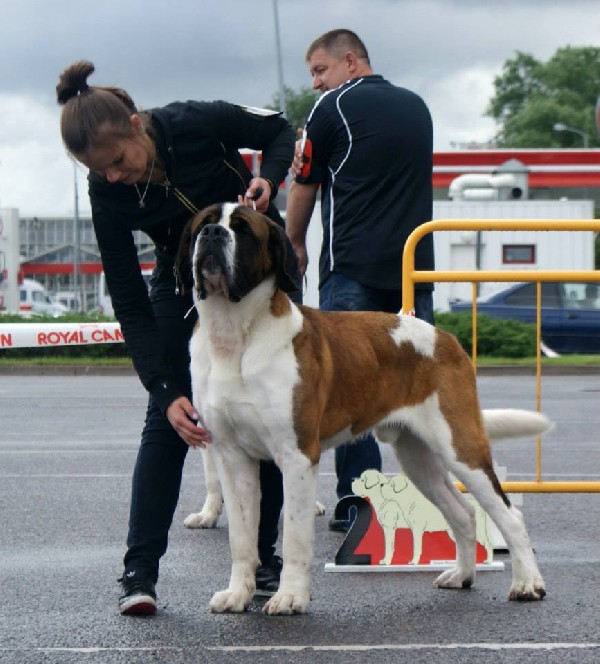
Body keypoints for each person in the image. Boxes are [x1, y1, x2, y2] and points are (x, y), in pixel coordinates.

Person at [56, 61, 295, 615]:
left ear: (138, 125)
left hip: (259, 267)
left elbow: (279, 129)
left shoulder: (193, 121)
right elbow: (126, 293)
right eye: (99, 171)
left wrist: (271, 177)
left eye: (118, 162)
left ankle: (264, 566)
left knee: (267, 416)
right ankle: (138, 574)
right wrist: (164, 389)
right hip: (182, 277)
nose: (114, 177)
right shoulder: (105, 190)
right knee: (164, 418)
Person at [286, 29, 435, 532]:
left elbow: (304, 180)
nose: (314, 83)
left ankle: (359, 500)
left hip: (352, 268)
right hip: (416, 269)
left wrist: (296, 244)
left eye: (319, 70)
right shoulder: (418, 107)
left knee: (348, 385)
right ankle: (436, 499)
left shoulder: (331, 109)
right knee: (425, 388)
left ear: (350, 62)